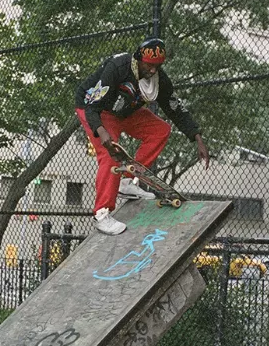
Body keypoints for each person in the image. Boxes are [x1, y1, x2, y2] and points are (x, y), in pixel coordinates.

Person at [75, 37, 210, 235]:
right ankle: (101, 214)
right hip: (95, 109)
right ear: (138, 59)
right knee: (111, 153)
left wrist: (197, 138)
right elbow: (92, 105)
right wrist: (101, 131)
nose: (153, 70)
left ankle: (126, 180)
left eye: (158, 66)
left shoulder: (160, 80)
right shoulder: (118, 67)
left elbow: (176, 109)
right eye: (150, 65)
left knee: (160, 130)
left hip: (124, 112)